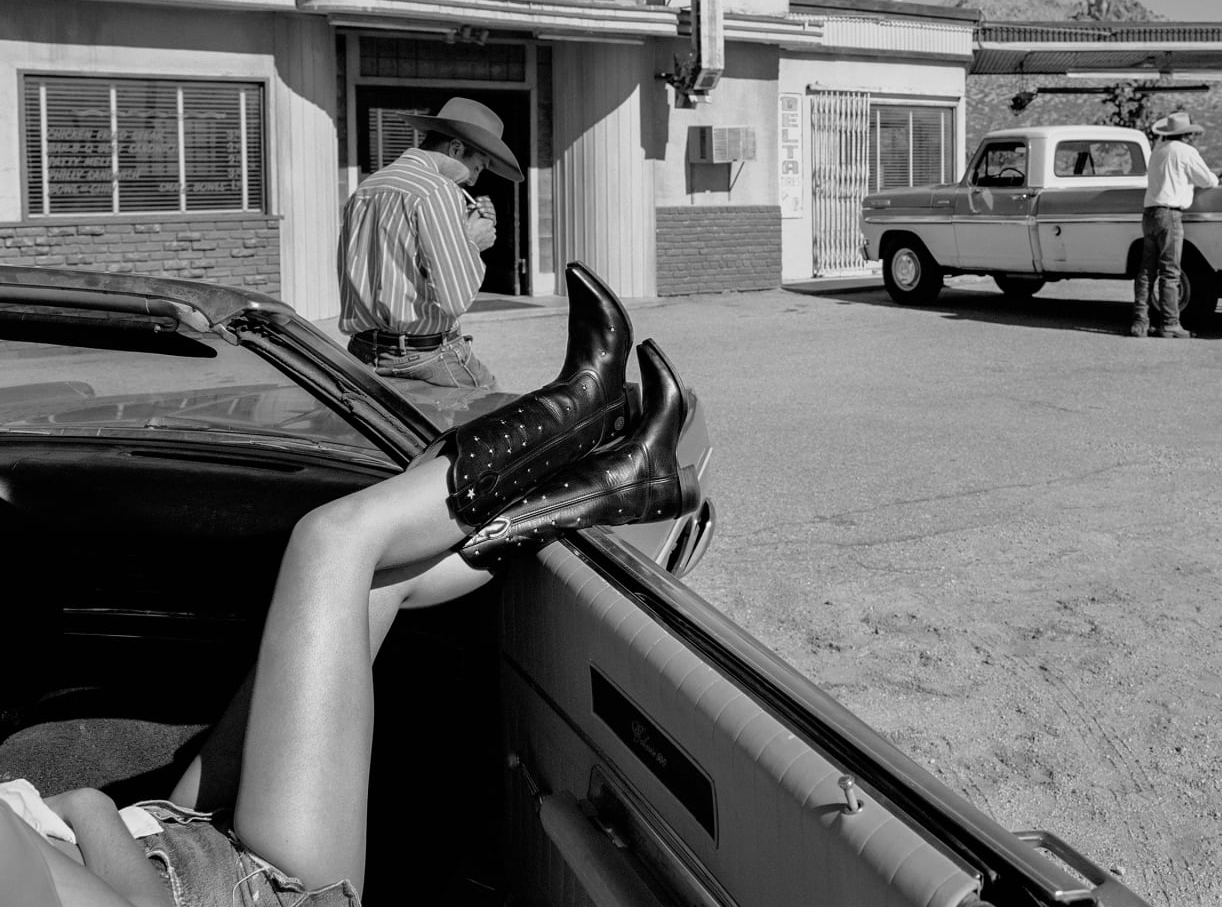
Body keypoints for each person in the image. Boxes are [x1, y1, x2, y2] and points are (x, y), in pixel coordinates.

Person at [1, 267, 699, 907]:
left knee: (369, 586)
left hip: (164, 841)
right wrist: (89, 807)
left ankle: (621, 474)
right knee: (331, 543)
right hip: (248, 890)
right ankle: (588, 417)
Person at [338, 97, 523, 404]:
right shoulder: (439, 190)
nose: (475, 179)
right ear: (455, 148)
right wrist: (471, 244)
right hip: (425, 355)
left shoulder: (367, 187)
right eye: (478, 167)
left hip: (362, 353)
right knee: (497, 418)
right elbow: (455, 299)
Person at [1129, 111, 1218, 339]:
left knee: (1146, 270)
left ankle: (1140, 321)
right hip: (1170, 213)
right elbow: (1207, 180)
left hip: (1150, 212)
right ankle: (1170, 323)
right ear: (1186, 134)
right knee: (1170, 271)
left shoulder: (1157, 152)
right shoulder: (1186, 152)